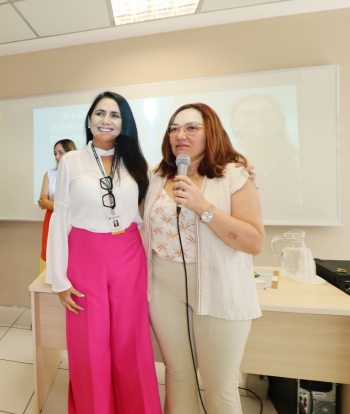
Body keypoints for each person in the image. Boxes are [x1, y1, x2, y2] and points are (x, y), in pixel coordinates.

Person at [143, 103, 264, 414]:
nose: (180, 134)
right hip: (163, 286)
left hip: (220, 288)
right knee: (177, 375)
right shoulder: (156, 176)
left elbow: (253, 242)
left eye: (191, 127)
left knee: (220, 387)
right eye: (173, 128)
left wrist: (203, 207)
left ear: (211, 132)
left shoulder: (234, 175)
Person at [46, 92, 162, 413]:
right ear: (89, 120)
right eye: (100, 113)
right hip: (85, 254)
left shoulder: (138, 164)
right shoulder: (71, 161)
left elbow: (155, 205)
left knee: (131, 341)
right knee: (90, 343)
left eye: (114, 115)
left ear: (124, 124)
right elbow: (61, 218)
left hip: (128, 252)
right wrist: (59, 279)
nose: (106, 120)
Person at [37, 139, 76, 273]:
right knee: (52, 251)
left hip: (73, 220)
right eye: (55, 153)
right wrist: (64, 206)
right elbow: (43, 202)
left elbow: (78, 205)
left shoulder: (79, 175)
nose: (57, 157)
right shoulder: (50, 174)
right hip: (52, 218)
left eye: (61, 152)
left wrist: (52, 204)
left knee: (72, 252)